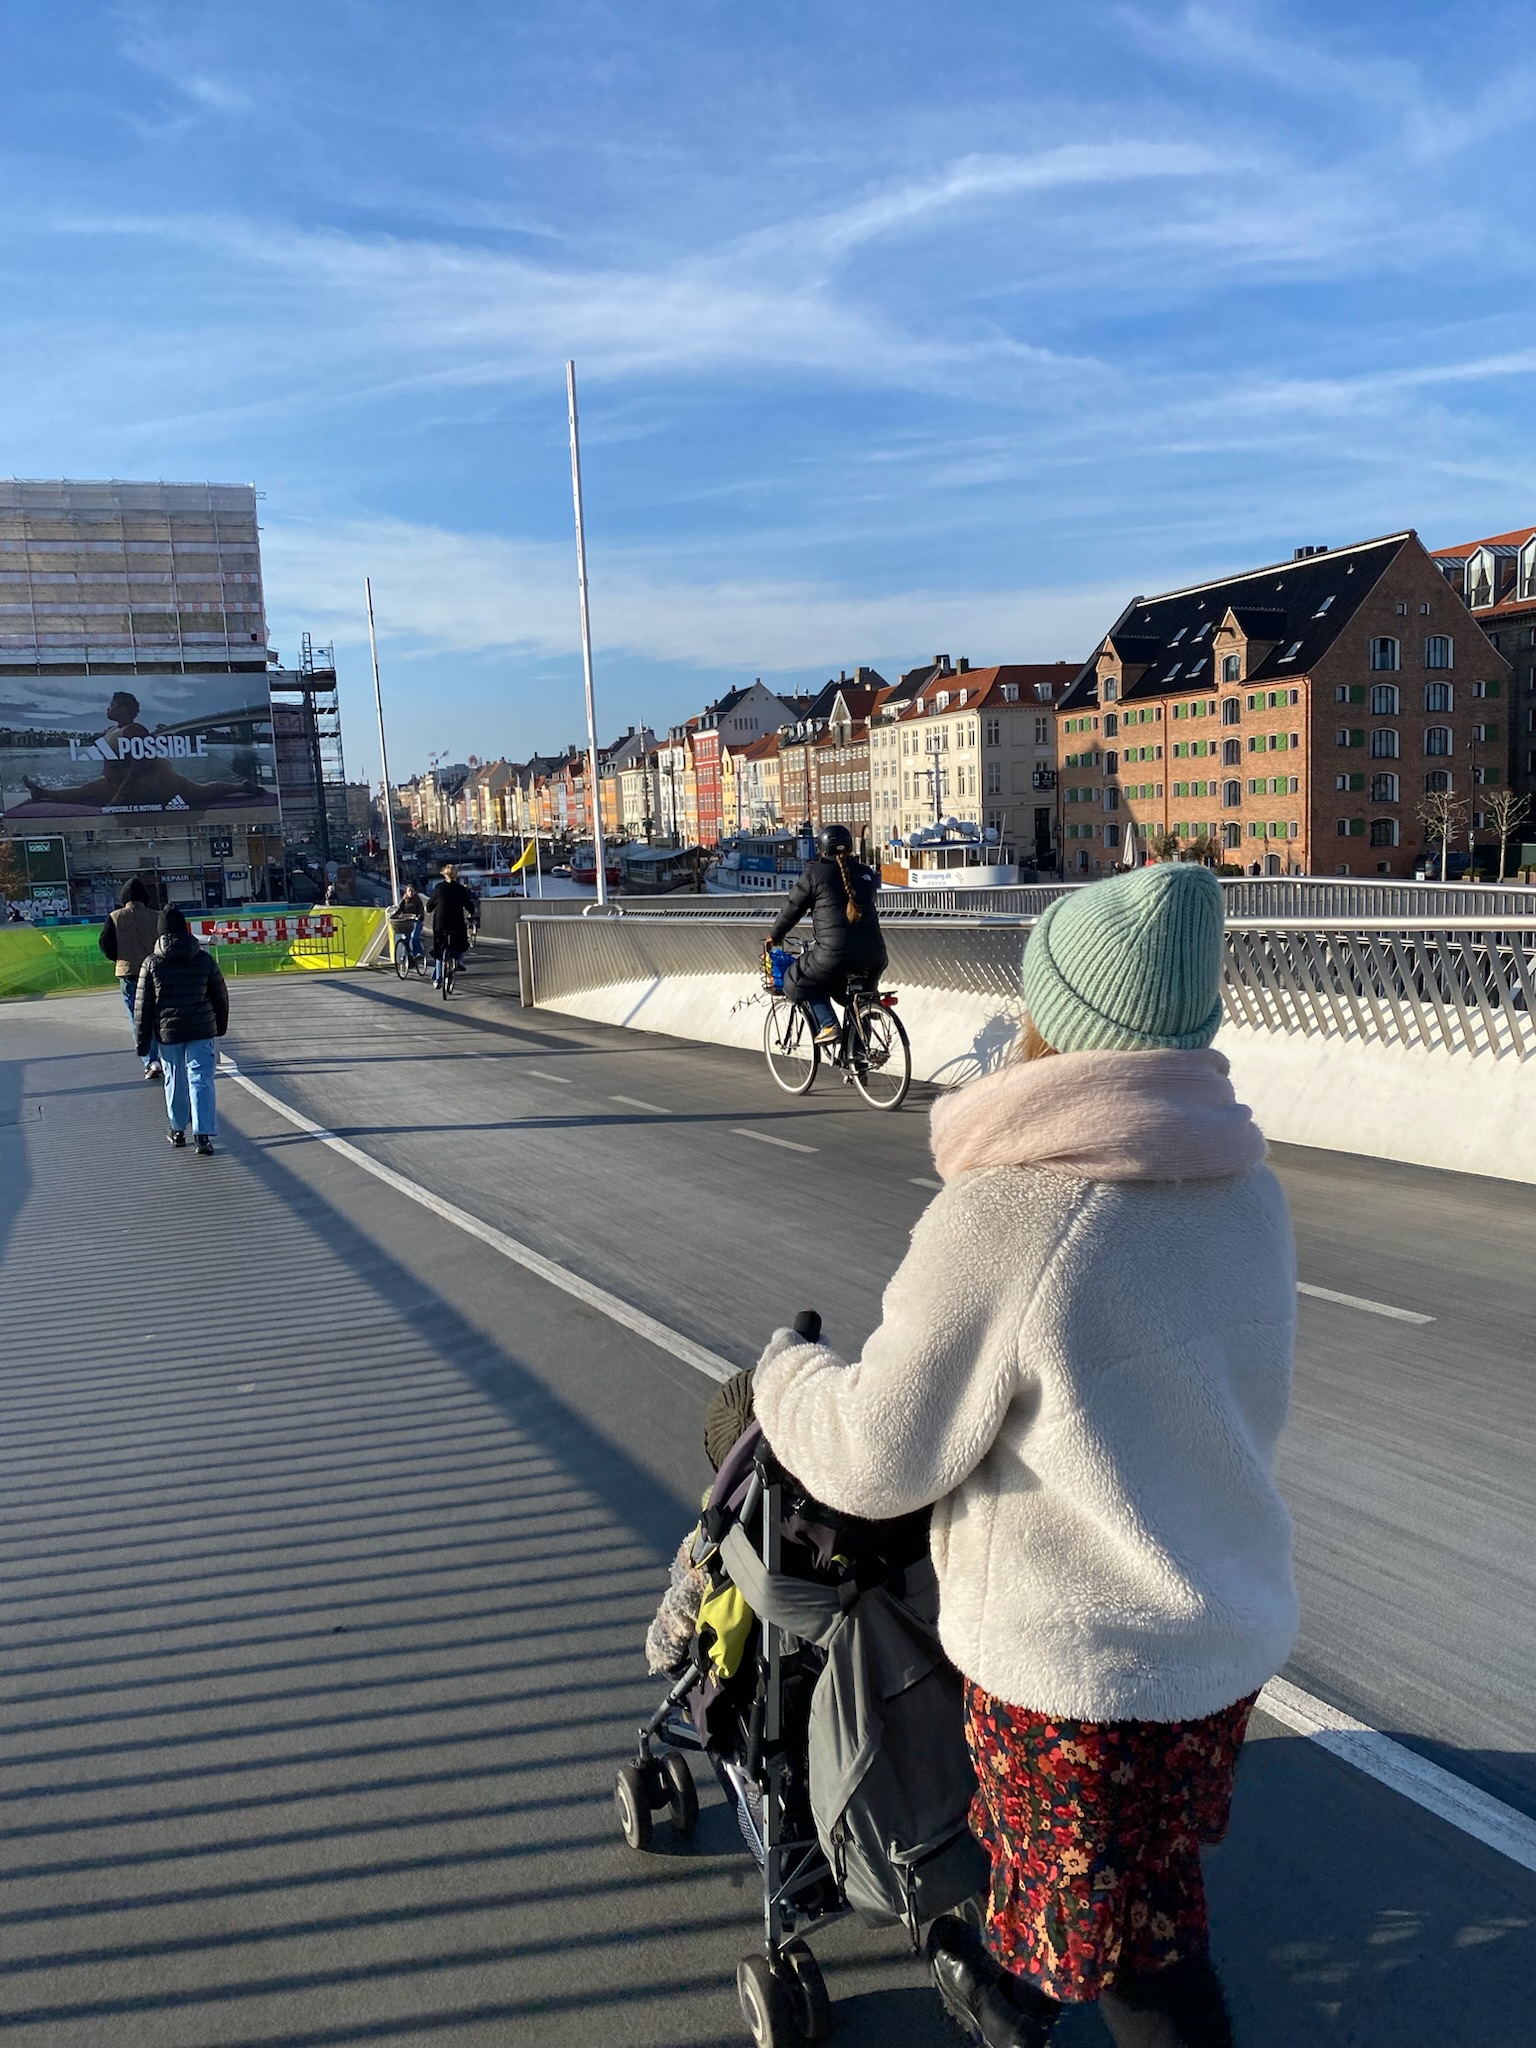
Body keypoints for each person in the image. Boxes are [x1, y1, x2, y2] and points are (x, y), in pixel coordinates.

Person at [751, 864, 1297, 2048]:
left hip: (1082, 1673)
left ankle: (1013, 1990)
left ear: (1065, 1016)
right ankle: (1009, 1977)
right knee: (1137, 1896)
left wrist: (782, 1377)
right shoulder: (1245, 1184)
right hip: (1218, 1636)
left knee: (1137, 1965)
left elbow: (876, 1453)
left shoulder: (1019, 1210)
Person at [766, 824, 886, 1044]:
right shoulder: (865, 873)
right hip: (875, 956)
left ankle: (828, 1024)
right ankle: (859, 1058)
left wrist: (775, 935)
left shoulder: (814, 875)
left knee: (796, 981)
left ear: (821, 849)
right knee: (858, 1000)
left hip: (834, 956)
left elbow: (792, 908)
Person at [135, 907, 229, 1156]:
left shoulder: (152, 963)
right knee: (201, 1079)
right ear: (186, 929)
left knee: (174, 1079)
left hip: (169, 1032)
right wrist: (220, 1026)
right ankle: (203, 1135)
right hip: (201, 1027)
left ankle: (177, 1130)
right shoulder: (203, 959)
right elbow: (220, 995)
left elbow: (142, 1007)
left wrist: (143, 1044)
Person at [98, 876, 164, 1080]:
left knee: (137, 1018)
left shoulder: (115, 916)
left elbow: (105, 945)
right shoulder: (157, 917)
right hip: (155, 971)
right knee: (158, 1015)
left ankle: (150, 1060)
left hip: (128, 973)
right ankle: (167, 1057)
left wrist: (120, 959)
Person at [427, 863, 477, 987]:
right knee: (461, 943)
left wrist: (429, 908)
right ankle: (458, 961)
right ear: (456, 876)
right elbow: (469, 906)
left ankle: (438, 979)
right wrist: (471, 912)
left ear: (444, 875)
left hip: (441, 923)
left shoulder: (439, 888)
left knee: (439, 950)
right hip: (456, 922)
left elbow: (429, 906)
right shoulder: (461, 889)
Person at [389, 880, 426, 963]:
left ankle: (418, 953)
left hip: (416, 921)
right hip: (406, 922)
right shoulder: (404, 900)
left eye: (412, 891)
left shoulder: (417, 901)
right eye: (409, 891)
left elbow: (421, 910)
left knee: (414, 936)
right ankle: (407, 956)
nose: (410, 893)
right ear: (406, 891)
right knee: (405, 938)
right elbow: (399, 909)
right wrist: (394, 916)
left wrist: (420, 916)